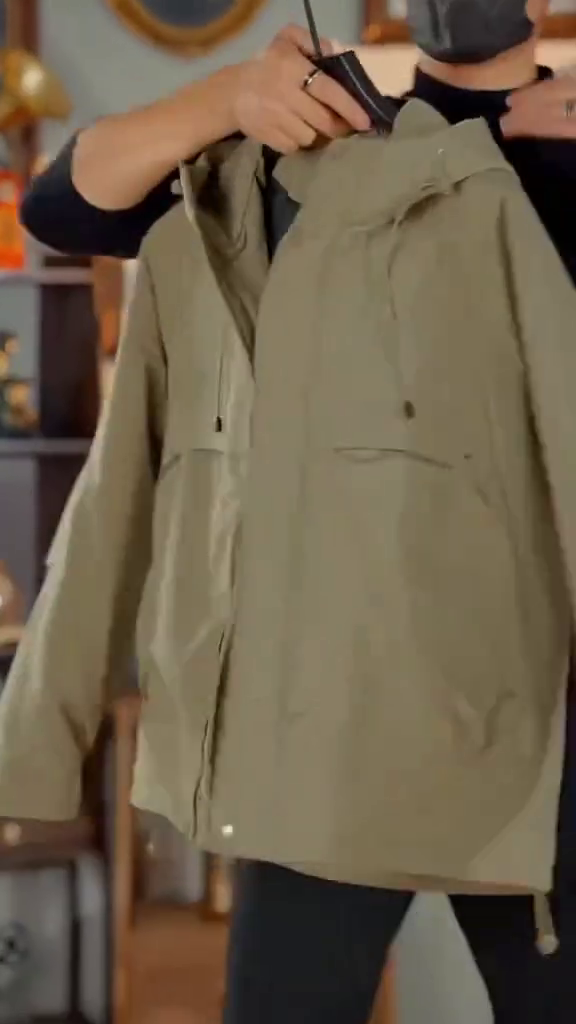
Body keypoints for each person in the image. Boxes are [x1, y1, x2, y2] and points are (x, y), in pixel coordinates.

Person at [19, 5, 576, 1024]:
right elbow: (62, 208)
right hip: (329, 724)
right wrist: (229, 96)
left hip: (542, 730)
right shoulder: (305, 154)